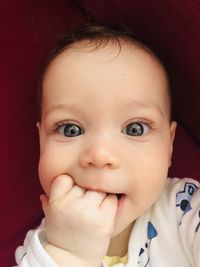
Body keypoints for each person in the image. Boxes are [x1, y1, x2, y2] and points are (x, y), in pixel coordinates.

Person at [15, 25, 200, 267]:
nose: (100, 155)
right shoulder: (46, 251)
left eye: (135, 128)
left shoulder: (185, 210)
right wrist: (70, 255)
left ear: (169, 146)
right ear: (42, 142)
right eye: (71, 129)